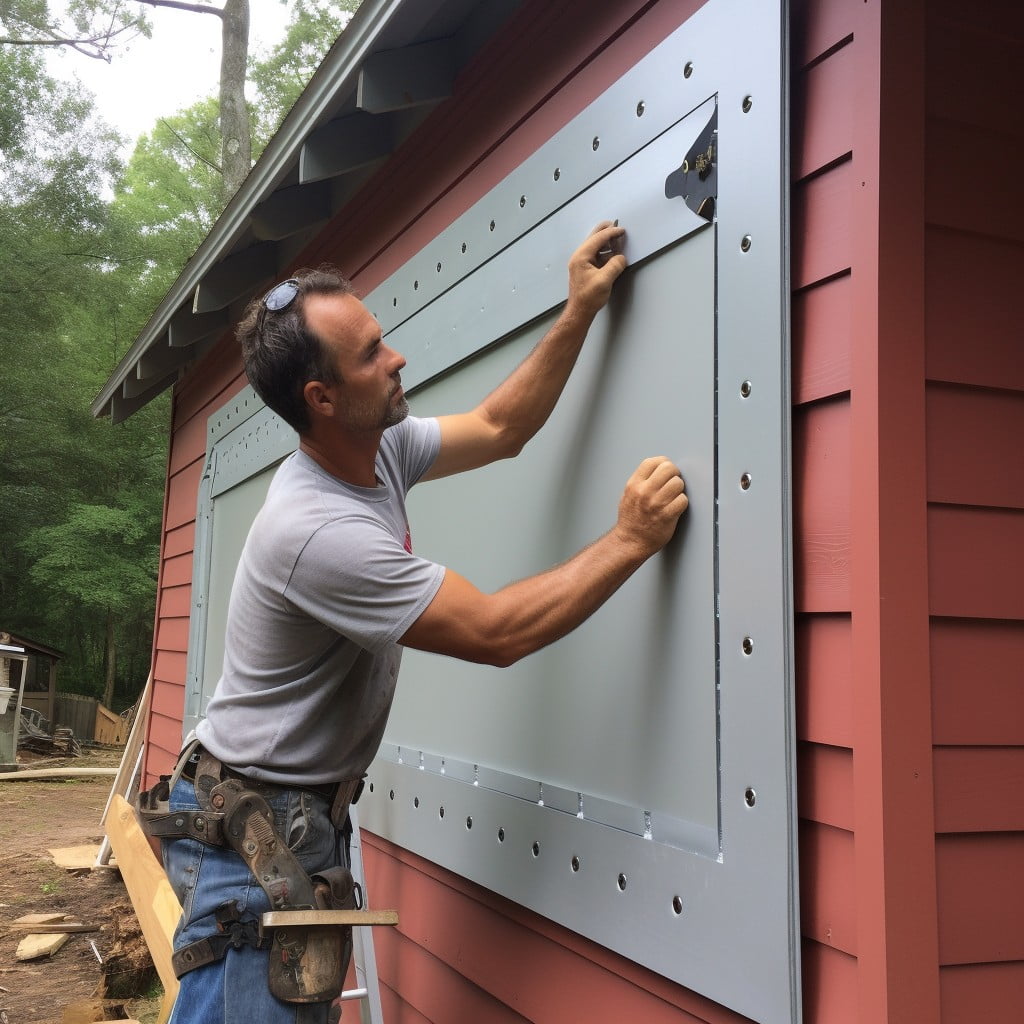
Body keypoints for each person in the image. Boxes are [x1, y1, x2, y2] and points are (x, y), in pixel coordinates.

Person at [157, 222, 688, 1023]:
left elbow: (502, 428)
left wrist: (578, 307)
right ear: (321, 398)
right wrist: (630, 539)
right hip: (256, 835)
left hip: (289, 818)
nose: (396, 357)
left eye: (383, 338)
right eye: (370, 353)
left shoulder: (375, 447)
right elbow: (496, 632)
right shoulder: (315, 532)